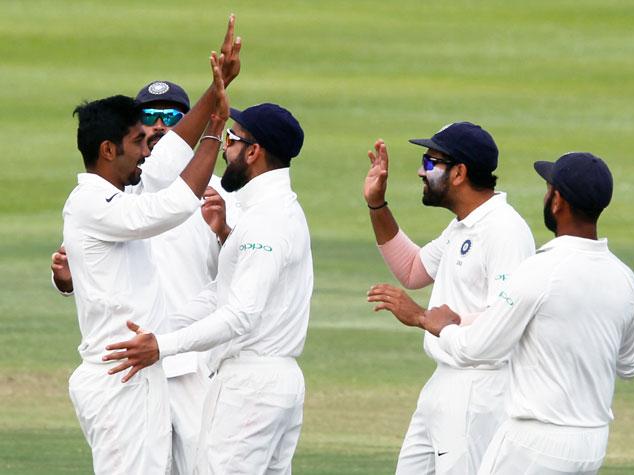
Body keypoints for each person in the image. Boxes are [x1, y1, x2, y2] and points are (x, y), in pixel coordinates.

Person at [378, 152, 634, 474]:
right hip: (591, 444)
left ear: (557, 201)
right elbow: (630, 365)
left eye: (548, 189)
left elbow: (480, 346)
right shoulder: (624, 278)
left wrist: (433, 323)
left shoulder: (540, 270)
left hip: (534, 442)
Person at [103, 103, 312, 474]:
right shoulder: (274, 210)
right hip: (269, 383)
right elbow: (220, 292)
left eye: (230, 139)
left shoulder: (267, 221)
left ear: (253, 151)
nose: (223, 148)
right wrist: (161, 327)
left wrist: (161, 346)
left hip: (252, 386)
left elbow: (240, 314)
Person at [51, 76, 240, 474]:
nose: (146, 152)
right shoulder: (94, 202)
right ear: (107, 150)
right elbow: (172, 205)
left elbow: (170, 155)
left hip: (151, 367)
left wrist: (215, 91)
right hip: (120, 374)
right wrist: (215, 129)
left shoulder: (119, 191)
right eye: (138, 141)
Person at [363, 122, 535, 474]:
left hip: (479, 387)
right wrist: (377, 204)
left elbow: (506, 317)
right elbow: (412, 269)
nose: (420, 171)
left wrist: (423, 317)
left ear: (459, 173)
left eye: (430, 162)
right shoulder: (463, 225)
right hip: (444, 381)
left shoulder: (504, 230)